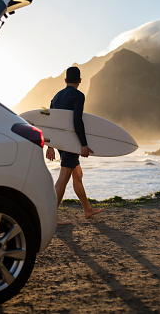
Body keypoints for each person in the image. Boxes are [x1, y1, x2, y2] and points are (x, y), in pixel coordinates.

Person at [45, 66, 105, 225]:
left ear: (65, 80)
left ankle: (87, 209)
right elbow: (77, 120)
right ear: (80, 80)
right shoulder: (78, 96)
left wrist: (50, 145)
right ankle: (52, 216)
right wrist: (84, 145)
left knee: (77, 175)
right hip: (71, 143)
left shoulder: (56, 97)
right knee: (63, 178)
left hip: (60, 143)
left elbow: (50, 122)